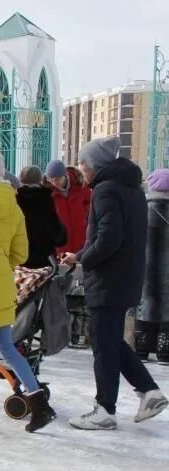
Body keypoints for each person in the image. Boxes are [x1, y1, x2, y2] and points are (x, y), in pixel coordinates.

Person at [60, 136, 168, 428]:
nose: (82, 169)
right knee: (108, 340)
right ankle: (149, 392)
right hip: (125, 277)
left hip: (109, 279)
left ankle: (105, 409)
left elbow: (107, 239)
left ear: (95, 164)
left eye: (84, 163)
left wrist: (84, 259)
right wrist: (81, 256)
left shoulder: (106, 190)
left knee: (104, 346)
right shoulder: (131, 188)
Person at [0, 151, 56, 432]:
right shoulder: (14, 207)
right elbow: (21, 253)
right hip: (3, 286)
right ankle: (39, 403)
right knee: (6, 347)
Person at [136, 169, 169, 363]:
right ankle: (165, 350)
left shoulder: (143, 208)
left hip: (144, 264)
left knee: (145, 300)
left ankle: (142, 347)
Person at [17, 165, 66, 268]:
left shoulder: (15, 199)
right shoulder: (46, 199)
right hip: (45, 259)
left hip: (20, 258)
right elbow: (57, 234)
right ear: (40, 179)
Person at [45, 160, 91, 256]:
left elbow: (90, 202)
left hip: (81, 241)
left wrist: (84, 213)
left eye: (57, 179)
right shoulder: (47, 193)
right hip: (60, 245)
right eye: (51, 179)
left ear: (65, 175)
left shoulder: (81, 185)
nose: (54, 183)